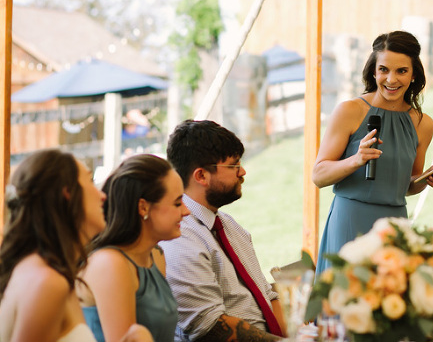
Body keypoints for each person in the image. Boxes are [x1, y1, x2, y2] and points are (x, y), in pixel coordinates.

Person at [312, 30, 433, 277]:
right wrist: (356, 160)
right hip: (350, 223)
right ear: (373, 71)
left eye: (401, 71)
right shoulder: (349, 111)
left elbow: (408, 185)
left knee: (390, 304)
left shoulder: (422, 124)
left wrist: (426, 179)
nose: (391, 79)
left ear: (414, 74)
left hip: (395, 226)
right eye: (384, 69)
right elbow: (319, 175)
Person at [0, 149, 152, 342]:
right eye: (90, 181)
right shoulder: (48, 282)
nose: (102, 195)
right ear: (68, 194)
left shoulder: (47, 270)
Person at [160, 120, 286, 341]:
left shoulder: (228, 225)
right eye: (234, 165)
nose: (242, 171)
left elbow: (267, 295)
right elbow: (209, 327)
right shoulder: (180, 237)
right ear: (201, 176)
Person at [79, 154, 189, 342]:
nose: (186, 211)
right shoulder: (110, 264)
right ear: (143, 207)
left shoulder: (156, 256)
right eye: (177, 203)